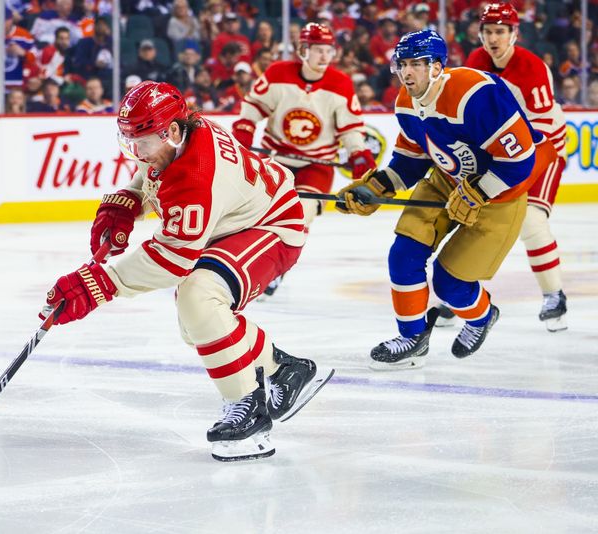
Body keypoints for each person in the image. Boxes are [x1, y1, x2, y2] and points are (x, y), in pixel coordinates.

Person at [40, 81, 329, 461]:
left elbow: (173, 259)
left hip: (274, 227)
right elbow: (152, 174)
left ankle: (249, 410)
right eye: (130, 141)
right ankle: (284, 369)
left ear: (173, 131)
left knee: (199, 297)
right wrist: (129, 200)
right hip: (234, 223)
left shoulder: (197, 175)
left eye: (141, 142)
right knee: (197, 322)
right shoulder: (178, 136)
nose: (137, 152)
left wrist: (97, 284)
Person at [335, 30, 556, 370]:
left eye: (416, 65)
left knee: (449, 282)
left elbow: (521, 161)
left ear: (437, 67)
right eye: (402, 65)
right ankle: (412, 337)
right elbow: (410, 162)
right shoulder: (407, 103)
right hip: (447, 178)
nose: (407, 74)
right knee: (404, 252)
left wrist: (480, 192)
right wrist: (377, 186)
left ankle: (482, 316)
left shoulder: (475, 95)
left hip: (501, 192)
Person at [231, 23, 376, 296]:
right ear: (303, 50)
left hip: (316, 165)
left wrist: (357, 152)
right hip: (276, 158)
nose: (325, 56)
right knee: (261, 214)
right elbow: (253, 105)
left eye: (329, 50)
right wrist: (245, 126)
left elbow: (351, 128)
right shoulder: (277, 74)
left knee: (300, 216)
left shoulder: (341, 84)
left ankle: (275, 269)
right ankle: (249, 260)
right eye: (318, 50)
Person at [463, 3, 569, 331]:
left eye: (500, 31)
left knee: (531, 220)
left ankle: (555, 295)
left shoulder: (531, 68)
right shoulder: (476, 62)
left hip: (544, 146)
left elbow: (537, 133)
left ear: (514, 34)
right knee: (470, 214)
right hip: (502, 148)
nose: (493, 38)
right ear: (480, 34)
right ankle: (459, 295)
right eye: (488, 31)